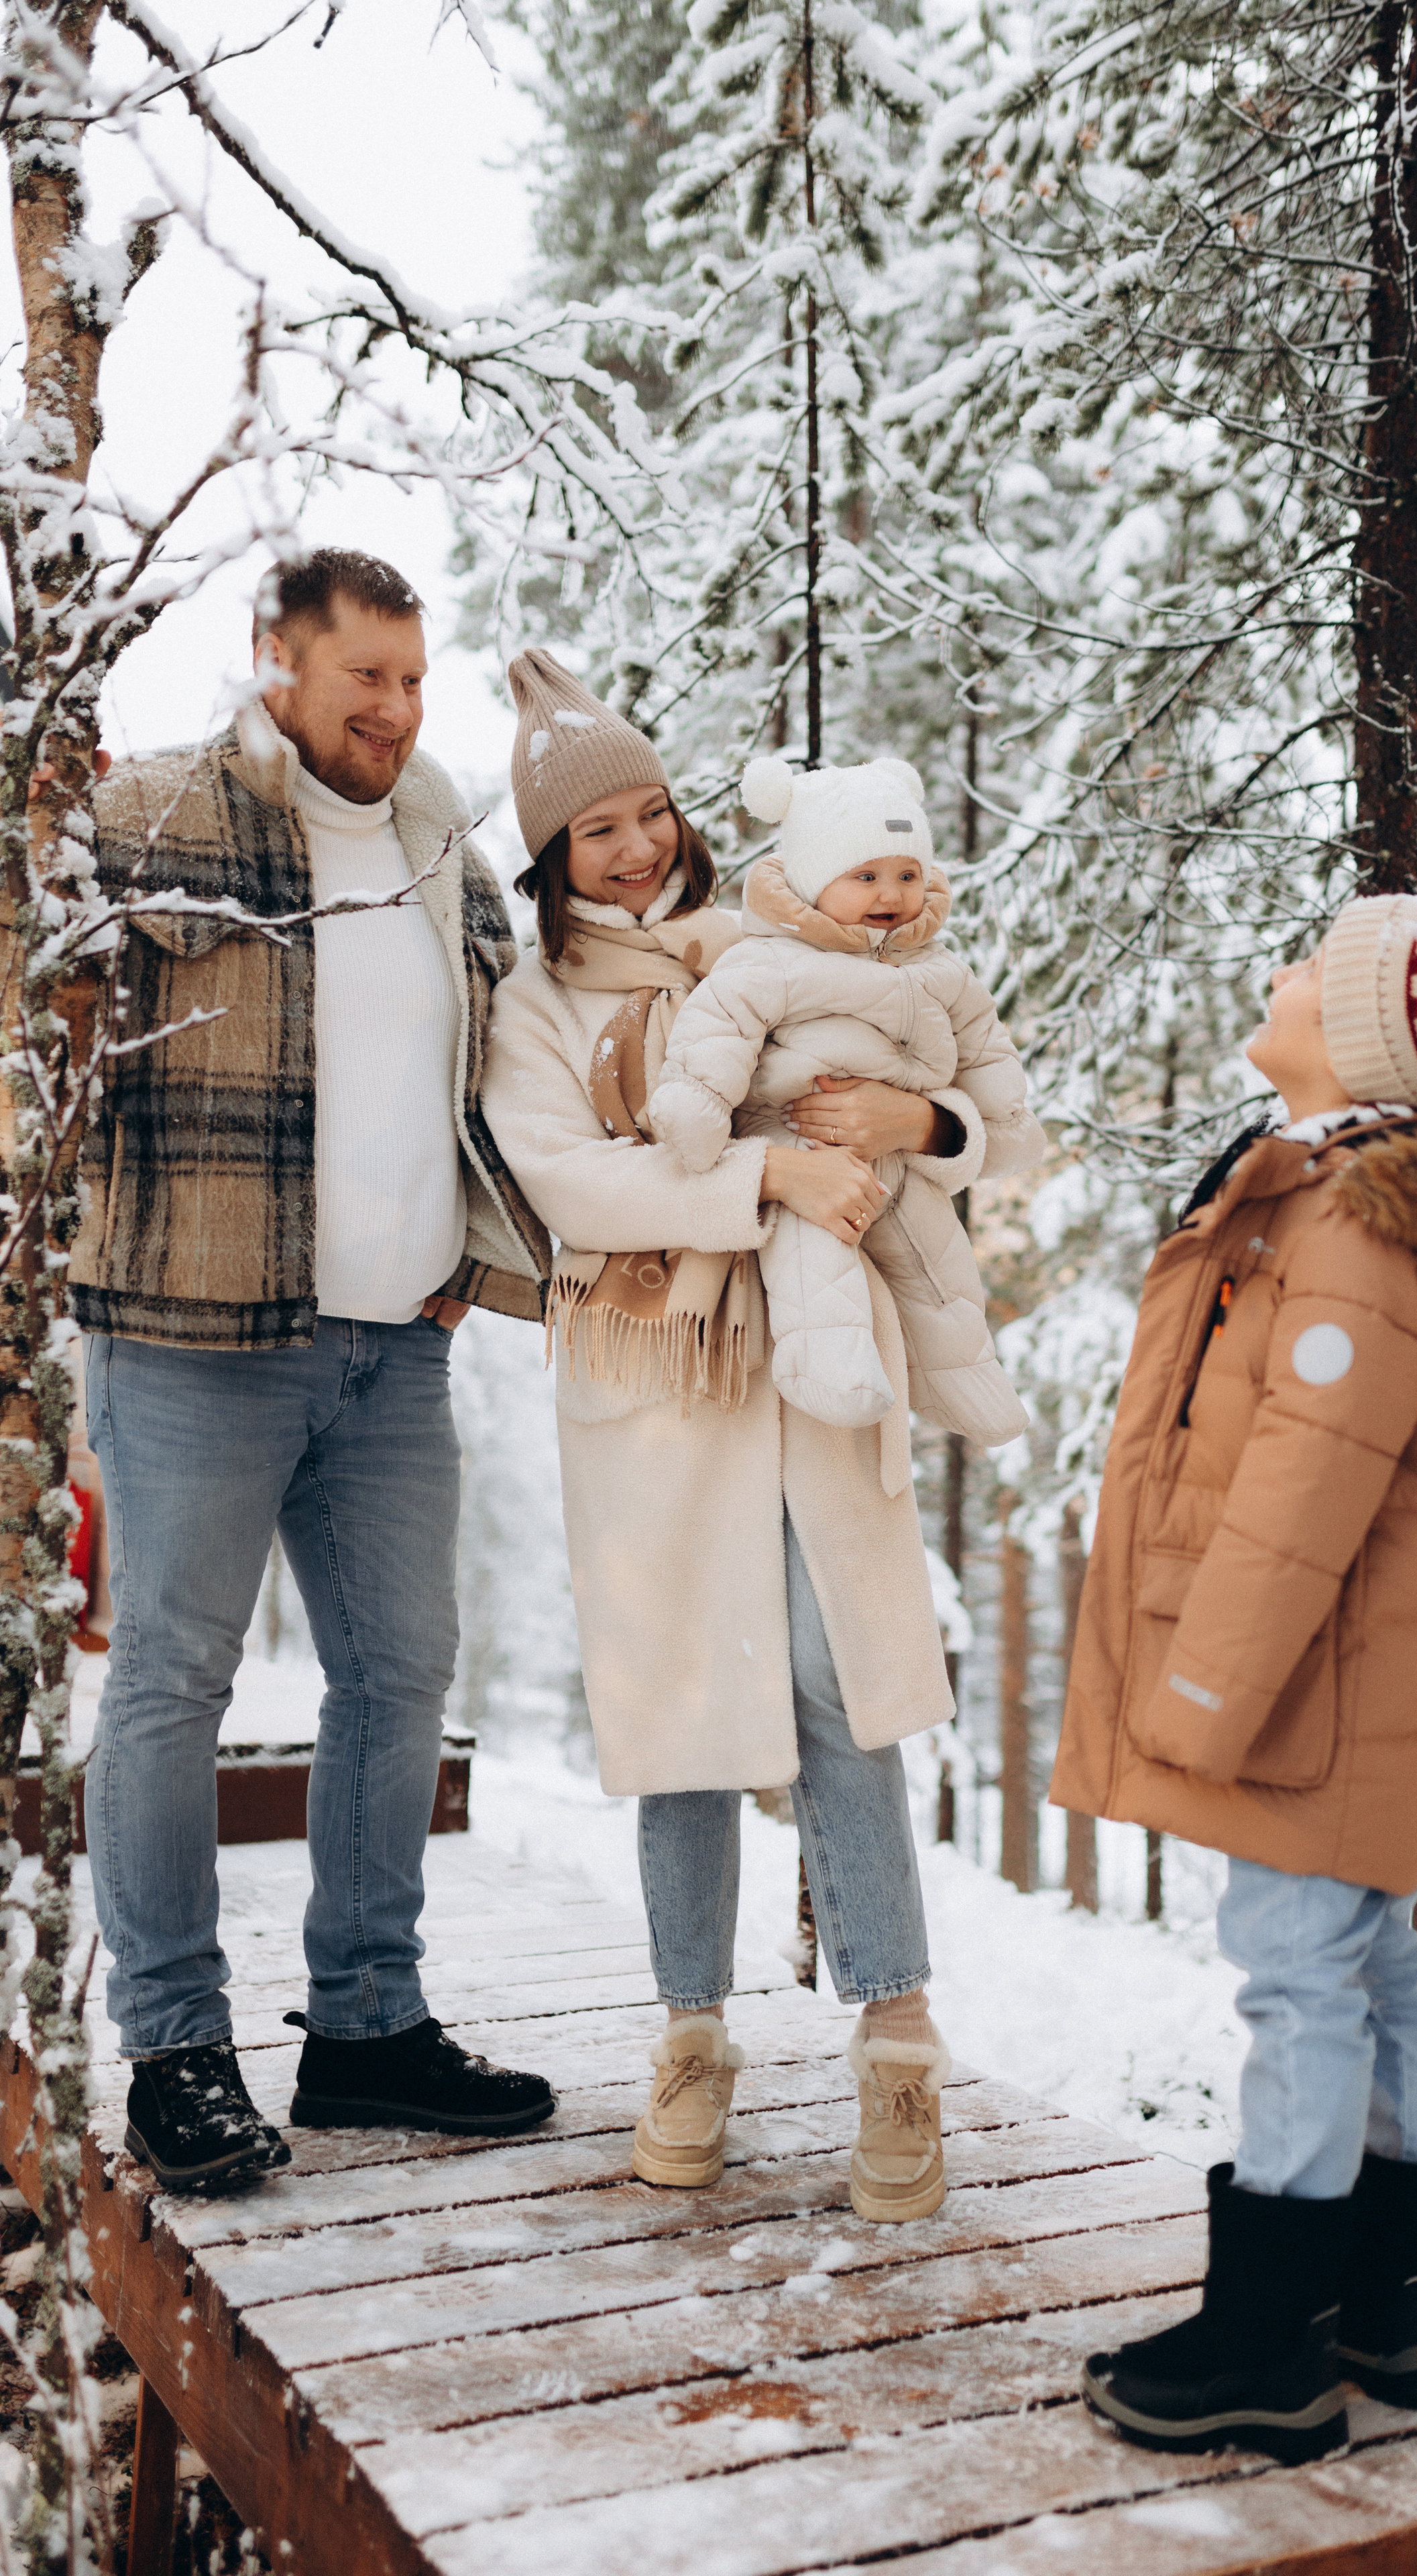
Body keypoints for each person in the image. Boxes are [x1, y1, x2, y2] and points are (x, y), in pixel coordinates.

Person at [1055, 897, 1417, 2461]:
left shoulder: (1355, 1232)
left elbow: (1300, 1497)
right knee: (1368, 1968)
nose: (1275, 968)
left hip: (1318, 1691)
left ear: (1362, 1037)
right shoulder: (1340, 1200)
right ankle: (1385, 2308)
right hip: (1353, 1689)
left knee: (1297, 1977)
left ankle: (1268, 2342)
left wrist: (1200, 1695)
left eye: (1307, 964)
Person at [481, 649, 1043, 2222]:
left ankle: (896, 2035)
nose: (640, 845)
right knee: (679, 1707)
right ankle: (687, 2031)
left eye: (654, 813)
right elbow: (571, 1184)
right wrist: (765, 1180)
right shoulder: (537, 1006)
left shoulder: (772, 933)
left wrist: (919, 1129)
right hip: (657, 1375)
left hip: (809, 1362)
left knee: (833, 1678)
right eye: (598, 831)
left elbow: (946, 1073)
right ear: (549, 858)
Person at [74, 549, 557, 2189]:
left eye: (416, 680)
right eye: (367, 679)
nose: (397, 711)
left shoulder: (436, 838)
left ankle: (363, 2027)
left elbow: (505, 1058)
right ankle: (176, 2048)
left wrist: (477, 1261)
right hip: (193, 1331)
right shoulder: (156, 812)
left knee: (403, 1671)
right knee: (171, 1684)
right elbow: (53, 1018)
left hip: (388, 1354)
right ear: (278, 661)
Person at [647, 751, 1039, 1444]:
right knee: (814, 1256)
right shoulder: (771, 960)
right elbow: (719, 1027)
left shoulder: (942, 970)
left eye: (907, 875)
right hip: (797, 1140)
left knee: (937, 1264)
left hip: (900, 1159)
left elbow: (985, 1047)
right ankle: (826, 1367)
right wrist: (695, 1104)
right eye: (864, 876)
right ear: (811, 879)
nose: (890, 894)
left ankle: (965, 1380)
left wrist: (1002, 1114)